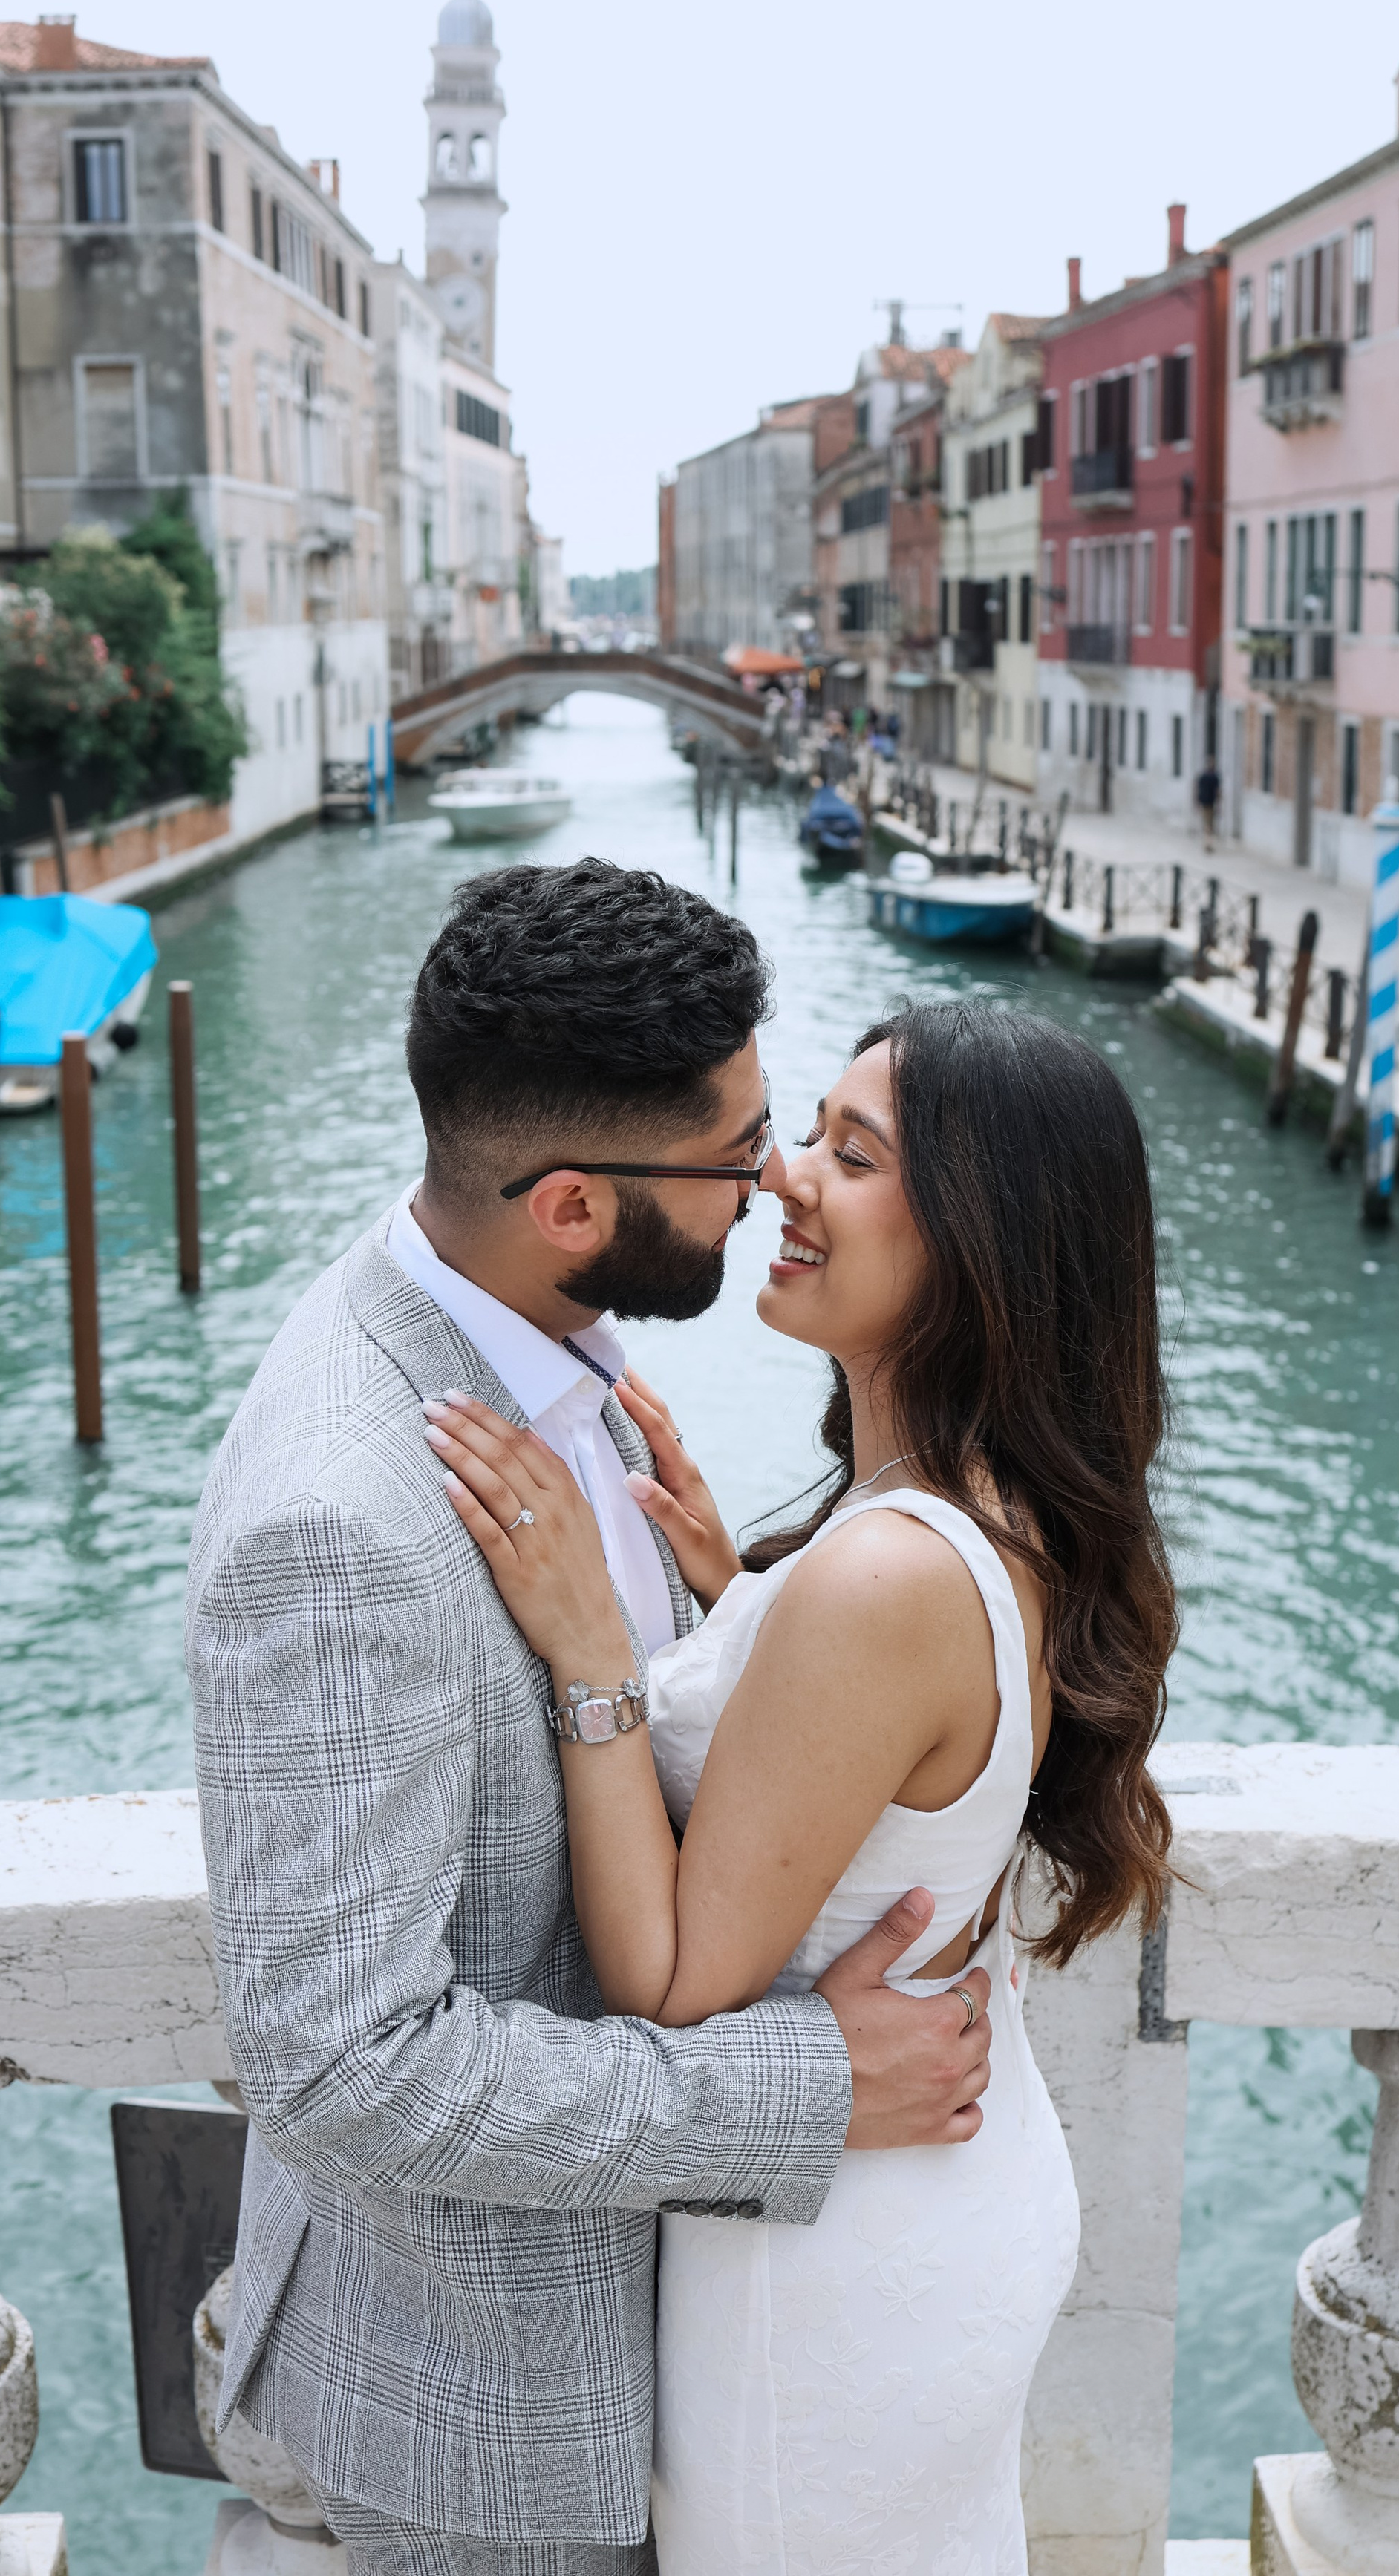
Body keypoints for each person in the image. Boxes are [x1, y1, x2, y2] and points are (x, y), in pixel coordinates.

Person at [188, 860, 994, 2576]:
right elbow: (342, 2066)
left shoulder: (552, 1358)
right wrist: (798, 2086)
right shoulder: (342, 1520)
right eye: (734, 1152)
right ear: (568, 1201)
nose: (769, 1184)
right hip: (479, 2411)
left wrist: (718, 1618)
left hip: (661, 2357)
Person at [428, 996, 1178, 2573]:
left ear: (980, 1232)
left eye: (851, 1153)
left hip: (827, 2276)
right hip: (921, 2201)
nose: (780, 1175)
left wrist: (594, 1653)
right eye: (803, 1135)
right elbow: (869, 1767)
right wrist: (740, 1604)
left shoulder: (879, 1580)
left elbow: (673, 1981)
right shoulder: (967, 1521)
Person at [1196, 758, 1222, 851]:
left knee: (1207, 824)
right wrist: (1219, 805)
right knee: (1209, 825)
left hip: (1206, 803)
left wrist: (1197, 802)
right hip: (1210, 804)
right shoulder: (1214, 777)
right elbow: (1218, 792)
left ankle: (1207, 843)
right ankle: (1208, 843)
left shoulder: (1204, 776)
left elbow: (1197, 789)